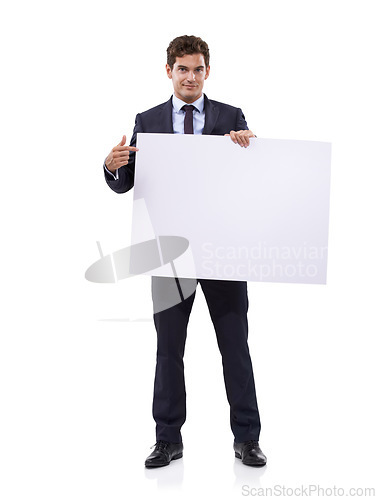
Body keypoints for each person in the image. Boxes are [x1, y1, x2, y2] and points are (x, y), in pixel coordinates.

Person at [103, 35, 267, 468]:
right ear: (169, 72)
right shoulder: (149, 119)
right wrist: (112, 166)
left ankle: (247, 439)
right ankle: (167, 440)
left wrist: (248, 147)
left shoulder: (230, 116)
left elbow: (250, 179)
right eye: (182, 69)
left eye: (197, 69)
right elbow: (130, 181)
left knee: (235, 346)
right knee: (168, 349)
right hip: (170, 253)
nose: (190, 77)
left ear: (207, 71)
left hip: (223, 250)